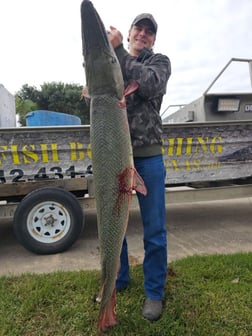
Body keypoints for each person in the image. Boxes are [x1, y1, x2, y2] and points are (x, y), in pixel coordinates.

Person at [108, 13, 171, 321]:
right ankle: (119, 279)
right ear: (130, 32)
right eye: (139, 28)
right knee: (115, 227)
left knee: (155, 229)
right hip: (116, 157)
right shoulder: (113, 61)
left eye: (149, 31)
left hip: (148, 157)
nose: (143, 34)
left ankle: (154, 293)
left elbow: (149, 86)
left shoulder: (159, 62)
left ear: (153, 38)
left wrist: (119, 53)